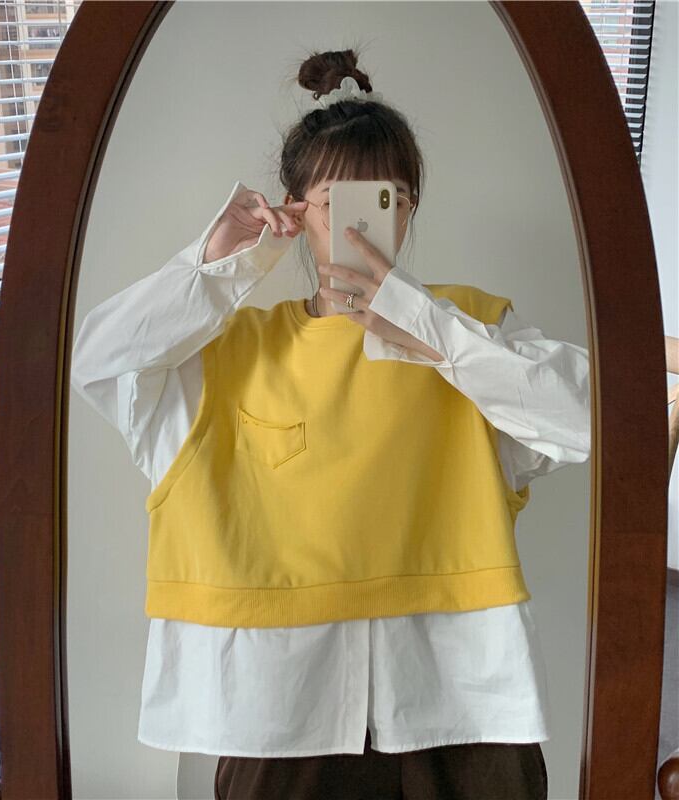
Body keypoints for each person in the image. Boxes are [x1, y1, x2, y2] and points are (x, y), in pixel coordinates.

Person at [71, 48, 591, 800]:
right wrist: (218, 263)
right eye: (337, 202)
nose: (366, 223)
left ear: (411, 211)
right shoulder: (228, 352)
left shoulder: (471, 332)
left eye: (390, 199)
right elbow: (99, 361)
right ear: (294, 210)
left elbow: (590, 420)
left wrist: (426, 325)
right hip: (278, 715)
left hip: (462, 707)